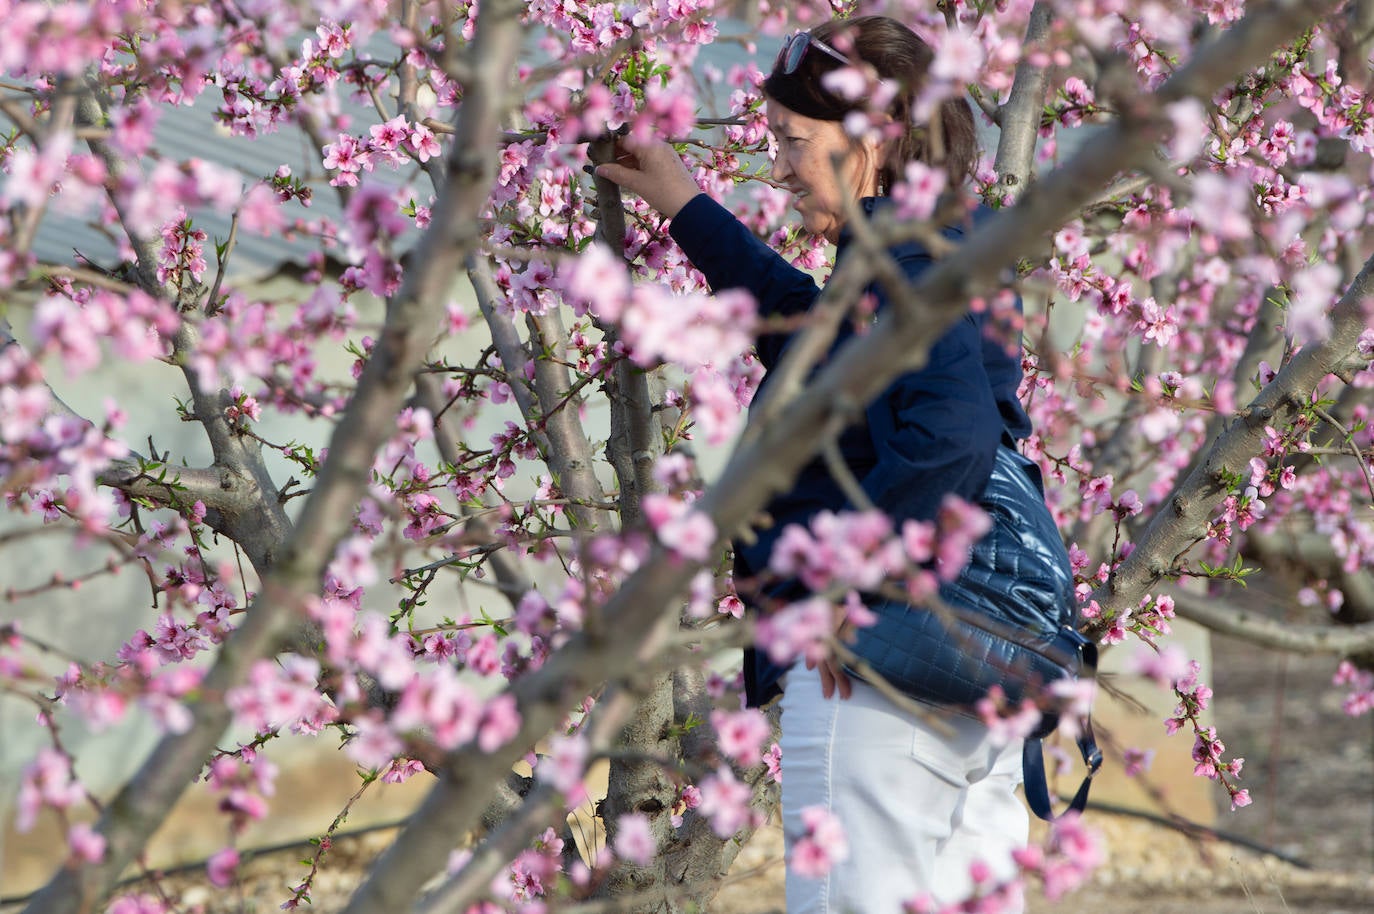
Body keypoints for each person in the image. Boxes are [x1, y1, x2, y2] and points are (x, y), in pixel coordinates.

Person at [594, 16, 1033, 913]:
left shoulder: (912, 256)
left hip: (877, 680)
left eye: (795, 143)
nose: (781, 167)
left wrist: (848, 592)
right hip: (968, 667)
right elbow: (815, 335)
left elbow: (952, 435)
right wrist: (688, 208)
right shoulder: (940, 246)